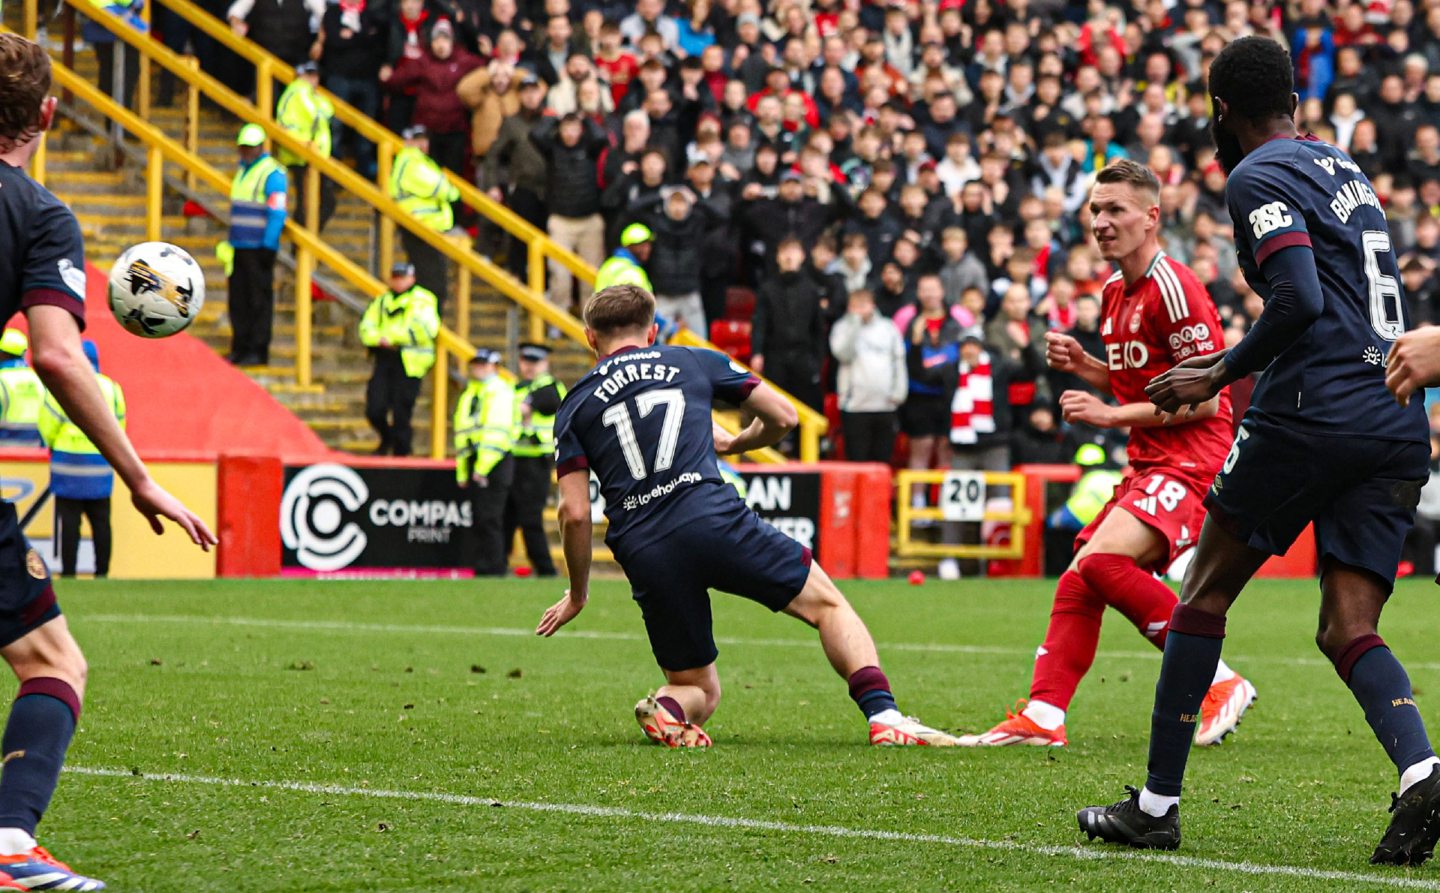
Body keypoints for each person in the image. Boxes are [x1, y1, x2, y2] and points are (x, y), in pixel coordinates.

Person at [1081, 38, 1440, 865]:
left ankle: (1157, 805)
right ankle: (1422, 767)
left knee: (1203, 593)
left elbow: (1300, 297)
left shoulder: (1257, 174)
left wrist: (1218, 367)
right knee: (1348, 623)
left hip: (1313, 408)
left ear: (1219, 109)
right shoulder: (1342, 167)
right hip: (1392, 410)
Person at [535, 283, 959, 748]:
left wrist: (578, 594)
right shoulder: (692, 360)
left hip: (644, 546)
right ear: (652, 331)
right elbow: (783, 416)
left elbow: (574, 513)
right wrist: (736, 444)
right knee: (828, 605)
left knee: (699, 687)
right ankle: (885, 717)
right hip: (710, 516)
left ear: (590, 338)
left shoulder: (573, 405)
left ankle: (669, 709)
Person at [0, 33, 215, 890]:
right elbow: (56, 355)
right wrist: (142, 476)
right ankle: (10, 846)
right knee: (53, 662)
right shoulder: (41, 213)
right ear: (48, 115)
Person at [960, 160, 1254, 747]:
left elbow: (1204, 401)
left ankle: (1218, 682)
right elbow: (1141, 386)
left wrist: (1111, 415)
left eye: (1115, 209)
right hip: (1152, 457)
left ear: (1152, 218)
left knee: (1100, 564)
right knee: (1078, 577)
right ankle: (1044, 716)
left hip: (1194, 456)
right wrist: (1090, 368)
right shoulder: (1115, 291)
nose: (1101, 221)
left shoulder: (1175, 289)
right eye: (1096, 209)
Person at [37, 342, 121, 578]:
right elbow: (120, 423)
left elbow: (48, 423)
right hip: (101, 462)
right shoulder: (111, 387)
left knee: (70, 522)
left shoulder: (61, 386)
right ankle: (102, 572)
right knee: (101, 521)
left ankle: (69, 572)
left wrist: (54, 444)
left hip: (68, 462)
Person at [358, 261, 439, 457]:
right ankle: (388, 438)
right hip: (385, 358)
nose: (398, 281)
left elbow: (427, 329)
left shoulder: (423, 299)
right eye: (395, 277)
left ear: (412, 278)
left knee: (401, 410)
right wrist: (378, 339)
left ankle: (401, 451)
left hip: (411, 361)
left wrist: (392, 337)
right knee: (374, 408)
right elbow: (365, 328)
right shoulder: (382, 301)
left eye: (402, 277)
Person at [529, 111, 608, 310]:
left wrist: (586, 119)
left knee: (590, 276)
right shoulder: (552, 150)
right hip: (561, 220)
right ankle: (558, 318)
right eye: (566, 128)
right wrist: (554, 119)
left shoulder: (590, 148)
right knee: (559, 274)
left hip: (589, 220)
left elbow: (601, 137)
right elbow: (535, 135)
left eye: (575, 129)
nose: (570, 133)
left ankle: (589, 319)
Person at [226, 123, 288, 367]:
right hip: (240, 244)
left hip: (259, 247)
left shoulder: (272, 173)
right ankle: (240, 346)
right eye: (243, 147)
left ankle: (257, 349)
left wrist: (268, 244)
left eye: (250, 147)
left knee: (258, 300)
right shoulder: (243, 170)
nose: (246, 151)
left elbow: (277, 211)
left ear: (261, 147)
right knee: (238, 299)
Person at [505, 342, 565, 577]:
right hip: (513, 458)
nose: (529, 367)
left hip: (536, 459)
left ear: (545, 364)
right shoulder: (517, 388)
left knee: (530, 518)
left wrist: (528, 405)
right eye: (525, 362)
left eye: (534, 362)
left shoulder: (550, 386)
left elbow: (549, 401)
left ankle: (545, 568)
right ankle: (497, 564)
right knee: (507, 515)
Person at [454, 349, 515, 577]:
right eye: (475, 364)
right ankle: (483, 566)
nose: (477, 368)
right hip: (477, 461)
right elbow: (462, 434)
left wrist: (482, 468)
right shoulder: (472, 392)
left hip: (493, 461)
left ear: (494, 366)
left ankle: (494, 567)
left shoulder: (499, 391)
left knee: (490, 517)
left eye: (482, 364)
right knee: (480, 516)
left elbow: (495, 433)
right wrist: (463, 470)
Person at [829, 289, 906, 463]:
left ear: (873, 305)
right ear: (849, 306)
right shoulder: (842, 327)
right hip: (854, 406)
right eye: (855, 305)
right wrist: (855, 325)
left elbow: (899, 361)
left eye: (864, 304)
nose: (860, 309)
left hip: (885, 405)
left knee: (883, 460)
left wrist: (899, 392)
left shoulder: (888, 327)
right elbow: (843, 354)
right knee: (857, 460)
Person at [390, 125, 460, 311]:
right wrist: (449, 188)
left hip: (428, 230)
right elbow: (442, 189)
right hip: (419, 229)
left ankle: (429, 326)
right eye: (416, 140)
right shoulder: (410, 161)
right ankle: (429, 328)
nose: (422, 144)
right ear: (407, 142)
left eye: (424, 139)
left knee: (432, 283)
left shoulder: (422, 162)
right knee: (433, 285)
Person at [275, 61, 336, 233]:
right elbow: (285, 126)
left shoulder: (315, 97)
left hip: (316, 157)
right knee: (309, 204)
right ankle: (300, 248)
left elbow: (326, 115)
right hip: (301, 156)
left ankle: (305, 246)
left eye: (315, 75)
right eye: (308, 74)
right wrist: (305, 145)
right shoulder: (297, 91)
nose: (312, 79)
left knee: (320, 203)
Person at [0, 330, 43, 447]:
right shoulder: (38, 379)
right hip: (35, 451)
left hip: (5, 451)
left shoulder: (2, 379)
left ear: (3, 354)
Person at [593, 223, 653, 292]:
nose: (647, 249)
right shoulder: (631, 272)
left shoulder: (609, 264)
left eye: (648, 245)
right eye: (641, 246)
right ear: (629, 246)